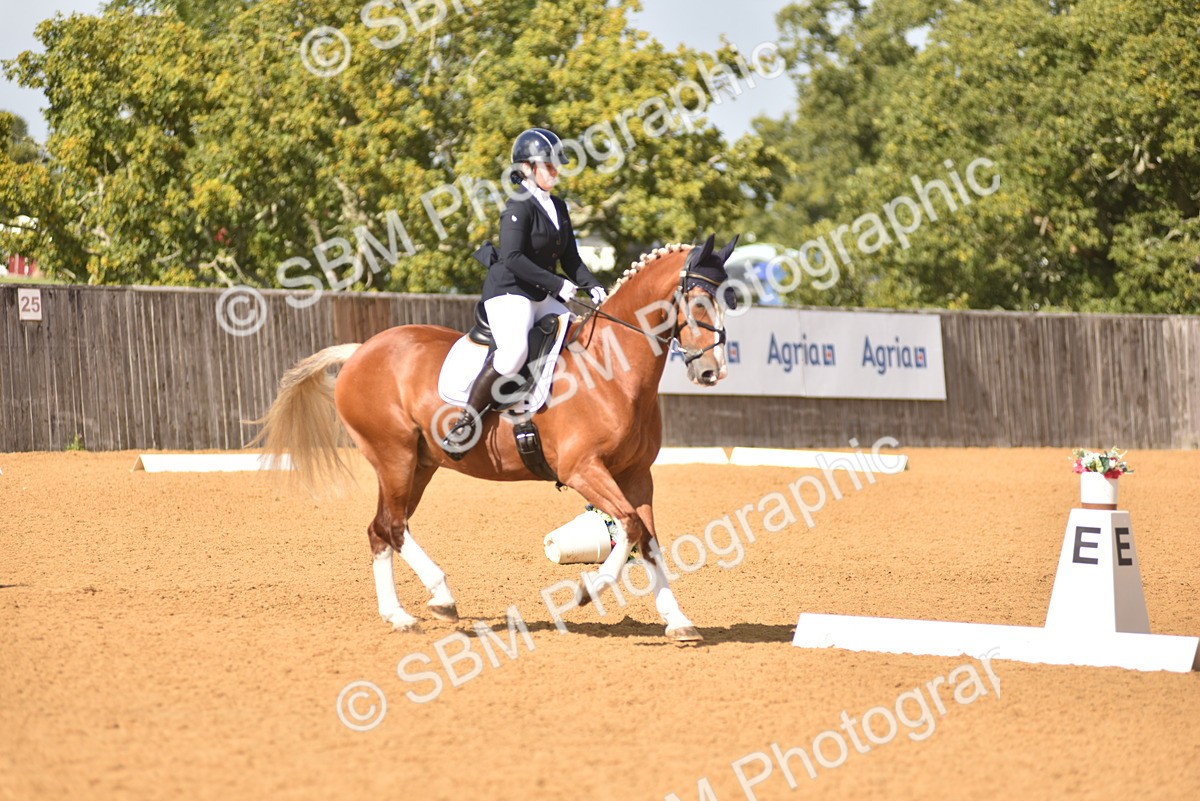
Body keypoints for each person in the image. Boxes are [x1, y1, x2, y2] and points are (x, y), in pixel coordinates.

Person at [441, 128, 607, 459]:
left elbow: (571, 259)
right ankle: (465, 424)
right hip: (510, 291)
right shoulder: (518, 205)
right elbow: (513, 258)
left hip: (540, 292)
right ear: (527, 168)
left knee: (579, 337)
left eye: (557, 165)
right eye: (549, 165)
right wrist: (557, 285)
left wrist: (594, 286)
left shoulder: (558, 206)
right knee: (514, 352)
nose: (556, 171)